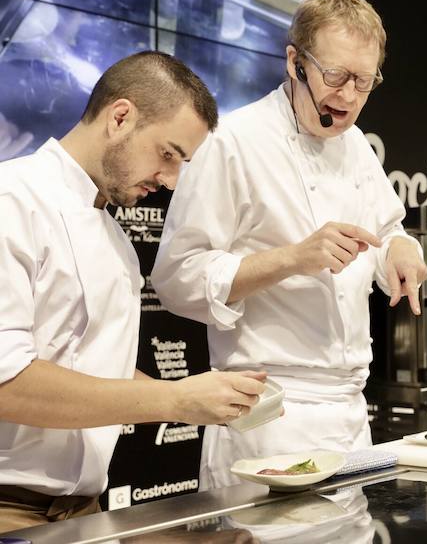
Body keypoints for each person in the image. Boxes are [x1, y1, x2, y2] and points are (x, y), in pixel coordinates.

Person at [151, 0, 427, 490]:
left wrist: (402, 249)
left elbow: (386, 232)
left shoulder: (357, 149)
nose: (347, 97)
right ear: (295, 61)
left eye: (364, 83)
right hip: (266, 418)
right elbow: (177, 277)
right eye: (336, 76)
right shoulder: (232, 142)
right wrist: (293, 258)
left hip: (349, 414)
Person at [0, 51, 266, 532]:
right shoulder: (11, 201)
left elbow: (100, 374)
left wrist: (201, 396)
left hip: (84, 510)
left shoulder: (118, 243)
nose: (169, 180)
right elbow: (6, 382)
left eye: (182, 163)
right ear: (120, 117)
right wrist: (174, 401)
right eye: (168, 154)